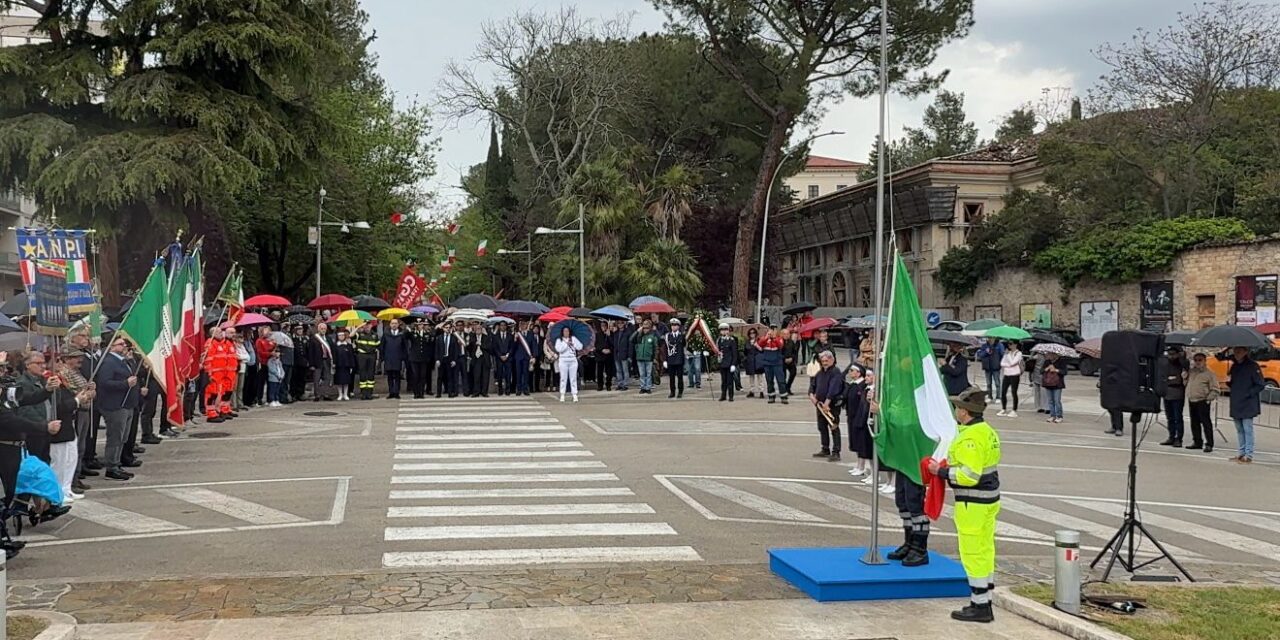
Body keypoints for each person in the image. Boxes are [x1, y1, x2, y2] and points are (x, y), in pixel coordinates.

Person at [927, 387, 1002, 624]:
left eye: (958, 407)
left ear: (965, 412)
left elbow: (969, 475)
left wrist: (940, 472)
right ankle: (985, 599)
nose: (955, 410)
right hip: (989, 499)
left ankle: (979, 605)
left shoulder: (970, 438)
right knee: (985, 550)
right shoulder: (986, 431)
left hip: (973, 502)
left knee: (972, 553)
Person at [96, 337, 139, 481]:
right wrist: (125, 383)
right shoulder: (108, 362)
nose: (124, 346)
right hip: (115, 405)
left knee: (122, 437)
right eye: (121, 344)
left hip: (126, 404)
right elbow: (104, 383)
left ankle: (117, 463)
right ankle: (111, 467)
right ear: (111, 346)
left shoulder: (123, 360)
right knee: (115, 437)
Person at [1227, 346, 1263, 464]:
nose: (1236, 354)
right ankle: (1241, 453)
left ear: (1245, 352)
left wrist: (1248, 393)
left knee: (1247, 429)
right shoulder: (1234, 366)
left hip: (1248, 402)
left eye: (1239, 352)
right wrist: (1229, 382)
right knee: (1239, 429)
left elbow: (1260, 384)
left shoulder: (1253, 366)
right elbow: (1233, 382)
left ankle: (1249, 455)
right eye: (1235, 352)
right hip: (1236, 401)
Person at [807, 351, 843, 461]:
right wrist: (811, 395)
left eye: (826, 361)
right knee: (822, 427)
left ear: (832, 360)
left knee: (834, 426)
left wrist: (827, 403)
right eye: (822, 361)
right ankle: (825, 448)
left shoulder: (835, 372)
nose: (824, 363)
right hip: (820, 405)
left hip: (831, 405)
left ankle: (836, 451)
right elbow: (813, 384)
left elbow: (833, 389)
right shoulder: (820, 372)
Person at [1185, 352, 1219, 453]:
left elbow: (1215, 389)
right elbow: (1186, 383)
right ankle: (1197, 442)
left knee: (1206, 423)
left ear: (1205, 361)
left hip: (1203, 400)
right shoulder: (1192, 372)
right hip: (1192, 400)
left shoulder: (1209, 374)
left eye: (1200, 360)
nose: (1197, 362)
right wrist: (1184, 378)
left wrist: (1208, 399)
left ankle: (1209, 444)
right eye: (1195, 360)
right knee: (1194, 423)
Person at [844, 364, 873, 478]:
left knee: (862, 444)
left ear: (858, 372)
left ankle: (862, 467)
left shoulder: (862, 386)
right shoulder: (853, 385)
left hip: (860, 417)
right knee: (855, 442)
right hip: (852, 417)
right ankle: (859, 465)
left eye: (852, 370)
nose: (850, 372)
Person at [203, 326, 237, 422]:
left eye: (221, 332)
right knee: (212, 394)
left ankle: (224, 409)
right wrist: (209, 373)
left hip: (225, 373)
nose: (221, 333)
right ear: (212, 334)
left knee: (226, 392)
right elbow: (208, 360)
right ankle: (211, 414)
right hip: (215, 373)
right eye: (218, 332)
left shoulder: (224, 343)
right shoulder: (210, 343)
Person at [1159, 347, 1188, 447]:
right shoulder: (1165, 363)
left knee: (1177, 417)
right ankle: (1171, 436)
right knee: (1170, 417)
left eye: (1173, 354)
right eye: (1169, 354)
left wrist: (1181, 356)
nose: (1171, 356)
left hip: (1178, 392)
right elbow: (1163, 375)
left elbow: (1185, 367)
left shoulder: (1181, 363)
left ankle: (1178, 438)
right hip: (1167, 392)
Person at [380, 319, 408, 399]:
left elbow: (405, 347)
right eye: (392, 323)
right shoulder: (386, 334)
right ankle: (391, 392)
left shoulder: (402, 334)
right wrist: (383, 358)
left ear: (398, 325)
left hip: (398, 358)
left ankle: (396, 392)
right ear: (390, 325)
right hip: (388, 358)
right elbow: (382, 347)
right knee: (390, 376)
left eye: (395, 323)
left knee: (397, 376)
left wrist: (404, 358)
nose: (394, 325)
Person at [554, 326, 583, 402]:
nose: (566, 332)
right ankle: (562, 394)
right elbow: (559, 349)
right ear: (562, 332)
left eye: (567, 331)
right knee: (563, 378)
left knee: (573, 378)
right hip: (563, 360)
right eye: (565, 331)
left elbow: (580, 347)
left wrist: (574, 344)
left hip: (572, 360)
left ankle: (574, 394)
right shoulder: (559, 340)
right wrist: (566, 344)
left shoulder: (573, 338)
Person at [306, 322, 334, 401]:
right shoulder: (314, 338)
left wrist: (333, 361)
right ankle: (317, 395)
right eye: (322, 329)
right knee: (316, 378)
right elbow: (310, 352)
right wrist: (311, 364)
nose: (323, 330)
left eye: (324, 329)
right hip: (317, 361)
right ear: (318, 329)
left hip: (327, 360)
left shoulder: (328, 338)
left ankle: (326, 394)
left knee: (327, 378)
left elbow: (333, 350)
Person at [406, 321, 433, 399]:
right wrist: (409, 329)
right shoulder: (413, 334)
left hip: (423, 358)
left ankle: (421, 393)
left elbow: (429, 343)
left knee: (422, 376)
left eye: (421, 324)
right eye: (419, 324)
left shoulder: (427, 334)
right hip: (414, 358)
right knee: (415, 375)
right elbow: (405, 336)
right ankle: (416, 392)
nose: (420, 326)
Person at [434, 320, 462, 398]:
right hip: (441, 359)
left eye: (449, 328)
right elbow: (436, 350)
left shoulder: (453, 338)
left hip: (449, 359)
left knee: (450, 376)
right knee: (440, 377)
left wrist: (454, 360)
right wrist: (437, 359)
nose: (448, 329)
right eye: (446, 328)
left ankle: (450, 392)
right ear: (443, 328)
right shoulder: (439, 338)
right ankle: (438, 393)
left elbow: (456, 350)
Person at [997, 342, 1024, 418]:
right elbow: (1002, 363)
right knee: (1003, 392)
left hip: (1015, 375)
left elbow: (1013, 362)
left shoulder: (1018, 353)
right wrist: (1007, 362)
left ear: (1015, 344)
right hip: (1007, 374)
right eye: (1008, 344)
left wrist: (1008, 357)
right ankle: (1003, 408)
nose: (1009, 345)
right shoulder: (1007, 353)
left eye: (1011, 344)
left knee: (1014, 392)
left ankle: (1014, 410)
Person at [467, 322, 493, 397]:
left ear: (482, 329)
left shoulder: (486, 337)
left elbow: (490, 348)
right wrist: (468, 343)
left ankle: (484, 392)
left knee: (485, 376)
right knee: (476, 376)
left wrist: (481, 345)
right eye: (477, 328)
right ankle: (476, 392)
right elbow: (469, 349)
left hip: (484, 358)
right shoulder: (471, 337)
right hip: (476, 359)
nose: (478, 330)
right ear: (474, 329)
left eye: (479, 328)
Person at [354, 324, 380, 400]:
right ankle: (363, 393)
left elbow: (378, 347)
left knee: (371, 375)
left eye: (368, 326)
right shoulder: (359, 334)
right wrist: (358, 327)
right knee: (363, 375)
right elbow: (351, 335)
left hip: (372, 356)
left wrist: (377, 359)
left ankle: (369, 393)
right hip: (362, 356)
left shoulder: (375, 335)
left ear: (371, 326)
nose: (367, 327)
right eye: (365, 326)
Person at [633, 321, 658, 395]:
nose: (645, 329)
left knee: (648, 374)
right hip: (640, 357)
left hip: (649, 358)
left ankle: (648, 388)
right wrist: (637, 331)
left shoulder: (652, 337)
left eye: (647, 328)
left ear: (649, 329)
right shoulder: (639, 336)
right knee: (642, 374)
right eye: (644, 328)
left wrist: (654, 357)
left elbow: (656, 348)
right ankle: (642, 387)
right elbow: (631, 339)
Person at [663, 319, 686, 399]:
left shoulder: (682, 336)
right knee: (671, 378)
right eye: (672, 325)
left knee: (680, 377)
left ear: (678, 326)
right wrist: (665, 360)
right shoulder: (667, 336)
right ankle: (672, 392)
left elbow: (685, 346)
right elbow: (665, 349)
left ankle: (680, 391)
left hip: (679, 359)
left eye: (675, 325)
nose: (673, 327)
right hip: (671, 359)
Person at [513, 320, 537, 396]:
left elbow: (534, 345)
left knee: (526, 374)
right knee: (518, 374)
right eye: (522, 324)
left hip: (527, 357)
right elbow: (513, 347)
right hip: (518, 357)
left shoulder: (530, 334)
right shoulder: (517, 334)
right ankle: (518, 389)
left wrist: (534, 356)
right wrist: (515, 340)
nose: (523, 326)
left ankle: (526, 389)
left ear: (527, 325)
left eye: (524, 324)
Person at [1041, 352, 1066, 423]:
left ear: (1056, 354)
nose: (1049, 356)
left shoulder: (1061, 361)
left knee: (1057, 401)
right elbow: (1041, 371)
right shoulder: (1047, 362)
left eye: (1051, 354)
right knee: (1050, 401)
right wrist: (1047, 368)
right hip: (1048, 383)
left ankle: (1059, 416)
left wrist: (1056, 370)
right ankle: (1052, 415)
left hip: (1058, 384)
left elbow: (1064, 372)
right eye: (1049, 354)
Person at [715, 324, 738, 402]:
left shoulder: (731, 340)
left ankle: (731, 396)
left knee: (730, 381)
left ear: (728, 331)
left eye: (725, 330)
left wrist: (733, 364)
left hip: (729, 363)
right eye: (722, 330)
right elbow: (717, 350)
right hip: (722, 363)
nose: (724, 331)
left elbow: (734, 353)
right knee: (723, 381)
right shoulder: (719, 340)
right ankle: (723, 395)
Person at [254, 326, 275, 407]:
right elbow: (260, 352)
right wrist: (270, 353)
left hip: (270, 363)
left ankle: (269, 399)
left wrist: (274, 347)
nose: (268, 332)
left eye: (269, 330)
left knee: (270, 381)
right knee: (261, 382)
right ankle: (259, 399)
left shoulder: (270, 341)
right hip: (263, 363)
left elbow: (273, 348)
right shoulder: (259, 341)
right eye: (266, 330)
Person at [492, 321, 515, 396]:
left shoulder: (510, 336)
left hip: (508, 357)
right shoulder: (495, 336)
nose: (503, 327)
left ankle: (508, 389)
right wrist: (500, 356)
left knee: (508, 374)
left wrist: (507, 355)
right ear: (499, 326)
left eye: (504, 325)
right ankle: (500, 389)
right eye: (501, 325)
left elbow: (512, 347)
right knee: (499, 374)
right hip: (499, 358)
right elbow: (495, 347)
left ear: (506, 326)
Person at [333, 328, 355, 401]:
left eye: (342, 336)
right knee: (339, 381)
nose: (341, 337)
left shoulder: (349, 345)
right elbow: (334, 356)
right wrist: (333, 364)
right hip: (338, 366)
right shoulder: (335, 346)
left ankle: (345, 394)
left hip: (346, 366)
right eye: (340, 336)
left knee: (346, 381)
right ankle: (340, 394)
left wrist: (351, 366)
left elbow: (351, 356)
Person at [289, 325, 310, 402]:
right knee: (294, 379)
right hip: (295, 362)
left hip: (303, 362)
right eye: (298, 330)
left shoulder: (305, 339)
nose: (300, 331)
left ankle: (301, 393)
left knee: (302, 379)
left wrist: (308, 361)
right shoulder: (293, 339)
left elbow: (308, 351)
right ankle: (293, 394)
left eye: (301, 329)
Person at [612, 320, 633, 392]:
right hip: (617, 354)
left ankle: (625, 384)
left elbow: (630, 345)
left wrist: (630, 355)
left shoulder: (628, 332)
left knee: (625, 370)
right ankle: (620, 384)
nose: (620, 324)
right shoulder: (616, 333)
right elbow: (613, 343)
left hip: (624, 354)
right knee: (618, 370)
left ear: (624, 324)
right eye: (618, 323)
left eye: (621, 323)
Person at [744, 328, 763, 398]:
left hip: (758, 360)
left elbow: (762, 350)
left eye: (753, 333)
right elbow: (745, 351)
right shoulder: (747, 342)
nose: (752, 334)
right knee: (751, 377)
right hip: (750, 360)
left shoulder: (759, 340)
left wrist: (757, 345)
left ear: (756, 333)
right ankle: (751, 391)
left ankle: (761, 391)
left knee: (760, 377)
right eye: (750, 333)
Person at [595, 323, 614, 392]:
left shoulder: (611, 334)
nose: (603, 327)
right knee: (599, 372)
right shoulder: (597, 334)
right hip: (600, 355)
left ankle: (608, 385)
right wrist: (602, 350)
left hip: (608, 355)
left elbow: (614, 344)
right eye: (602, 326)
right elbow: (596, 345)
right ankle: (600, 385)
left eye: (604, 326)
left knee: (609, 371)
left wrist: (610, 350)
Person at [783, 329, 800, 396]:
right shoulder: (780, 341)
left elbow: (795, 352)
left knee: (793, 372)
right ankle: (784, 389)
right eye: (785, 334)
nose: (786, 335)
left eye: (788, 334)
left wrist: (792, 358)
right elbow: (779, 352)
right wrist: (784, 358)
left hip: (791, 360)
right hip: (783, 361)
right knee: (783, 376)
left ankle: (788, 387)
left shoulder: (791, 342)